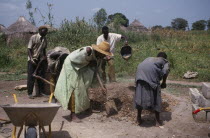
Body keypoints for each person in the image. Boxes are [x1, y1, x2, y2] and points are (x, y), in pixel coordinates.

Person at [54, 41, 112, 122]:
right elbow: (73, 59)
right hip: (72, 67)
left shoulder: (98, 57)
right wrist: (89, 62)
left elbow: (97, 71)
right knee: (74, 89)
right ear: (99, 51)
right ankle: (73, 115)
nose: (104, 56)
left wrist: (102, 84)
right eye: (104, 54)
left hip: (80, 68)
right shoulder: (88, 51)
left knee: (84, 87)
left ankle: (85, 108)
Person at [134, 52, 170, 126]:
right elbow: (166, 71)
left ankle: (138, 118)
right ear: (165, 58)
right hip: (150, 77)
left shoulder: (149, 59)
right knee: (157, 97)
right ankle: (157, 121)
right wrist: (164, 82)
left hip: (139, 77)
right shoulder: (165, 61)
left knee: (140, 97)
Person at [27, 26, 48, 99]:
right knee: (31, 76)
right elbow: (29, 49)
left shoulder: (45, 39)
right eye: (44, 30)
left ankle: (41, 92)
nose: (46, 32)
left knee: (40, 76)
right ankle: (29, 93)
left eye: (46, 31)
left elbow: (44, 49)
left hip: (40, 60)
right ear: (40, 30)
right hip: (32, 59)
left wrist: (45, 57)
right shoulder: (33, 37)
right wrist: (31, 59)